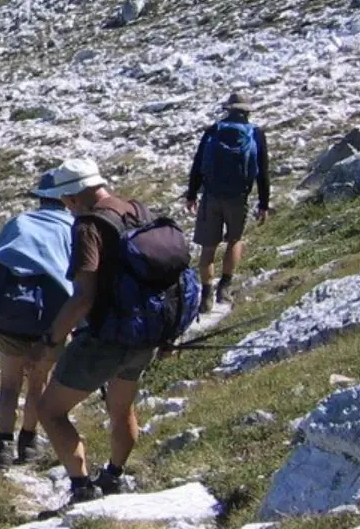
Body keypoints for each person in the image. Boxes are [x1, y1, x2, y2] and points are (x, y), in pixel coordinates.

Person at [34, 159, 196, 504]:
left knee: (50, 410)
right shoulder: (138, 210)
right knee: (122, 408)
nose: (66, 206)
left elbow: (82, 297)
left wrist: (52, 340)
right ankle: (113, 476)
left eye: (66, 200)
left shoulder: (88, 227)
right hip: (147, 333)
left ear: (75, 196)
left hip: (107, 337)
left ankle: (81, 487)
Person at [0, 171, 75, 468]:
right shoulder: (71, 227)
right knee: (38, 383)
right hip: (51, 322)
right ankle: (28, 442)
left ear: (40, 198)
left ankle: (2, 446)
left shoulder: (18, 223)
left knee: (9, 385)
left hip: (11, 319)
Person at [184, 92, 271, 311]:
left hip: (211, 197)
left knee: (208, 247)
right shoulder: (256, 133)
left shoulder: (213, 131)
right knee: (235, 240)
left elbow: (198, 165)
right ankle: (225, 287)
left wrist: (192, 194)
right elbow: (263, 172)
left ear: (228, 110)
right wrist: (263, 203)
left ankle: (206, 295)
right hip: (238, 198)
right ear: (247, 112)